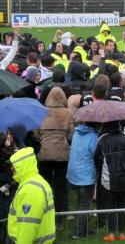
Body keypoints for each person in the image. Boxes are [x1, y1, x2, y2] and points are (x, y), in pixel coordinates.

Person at [35, 86, 74, 229]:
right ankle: (58, 219)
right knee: (60, 187)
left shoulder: (41, 112)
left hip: (44, 153)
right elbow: (71, 135)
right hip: (62, 153)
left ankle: (43, 215)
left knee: (44, 186)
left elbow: (36, 133)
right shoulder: (68, 113)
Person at [94, 121, 125, 242]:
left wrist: (102, 171)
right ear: (119, 125)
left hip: (108, 179)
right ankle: (122, 233)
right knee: (123, 205)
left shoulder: (102, 139)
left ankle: (111, 234)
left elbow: (97, 159)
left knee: (111, 206)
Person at [7, 147, 56, 244]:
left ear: (22, 165)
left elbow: (27, 225)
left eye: (15, 165)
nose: (12, 168)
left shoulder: (30, 189)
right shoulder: (37, 181)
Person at [66, 122, 98, 239]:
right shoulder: (93, 136)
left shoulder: (76, 133)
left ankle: (83, 228)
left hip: (75, 173)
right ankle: (78, 232)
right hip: (86, 175)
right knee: (84, 203)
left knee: (81, 201)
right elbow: (96, 154)